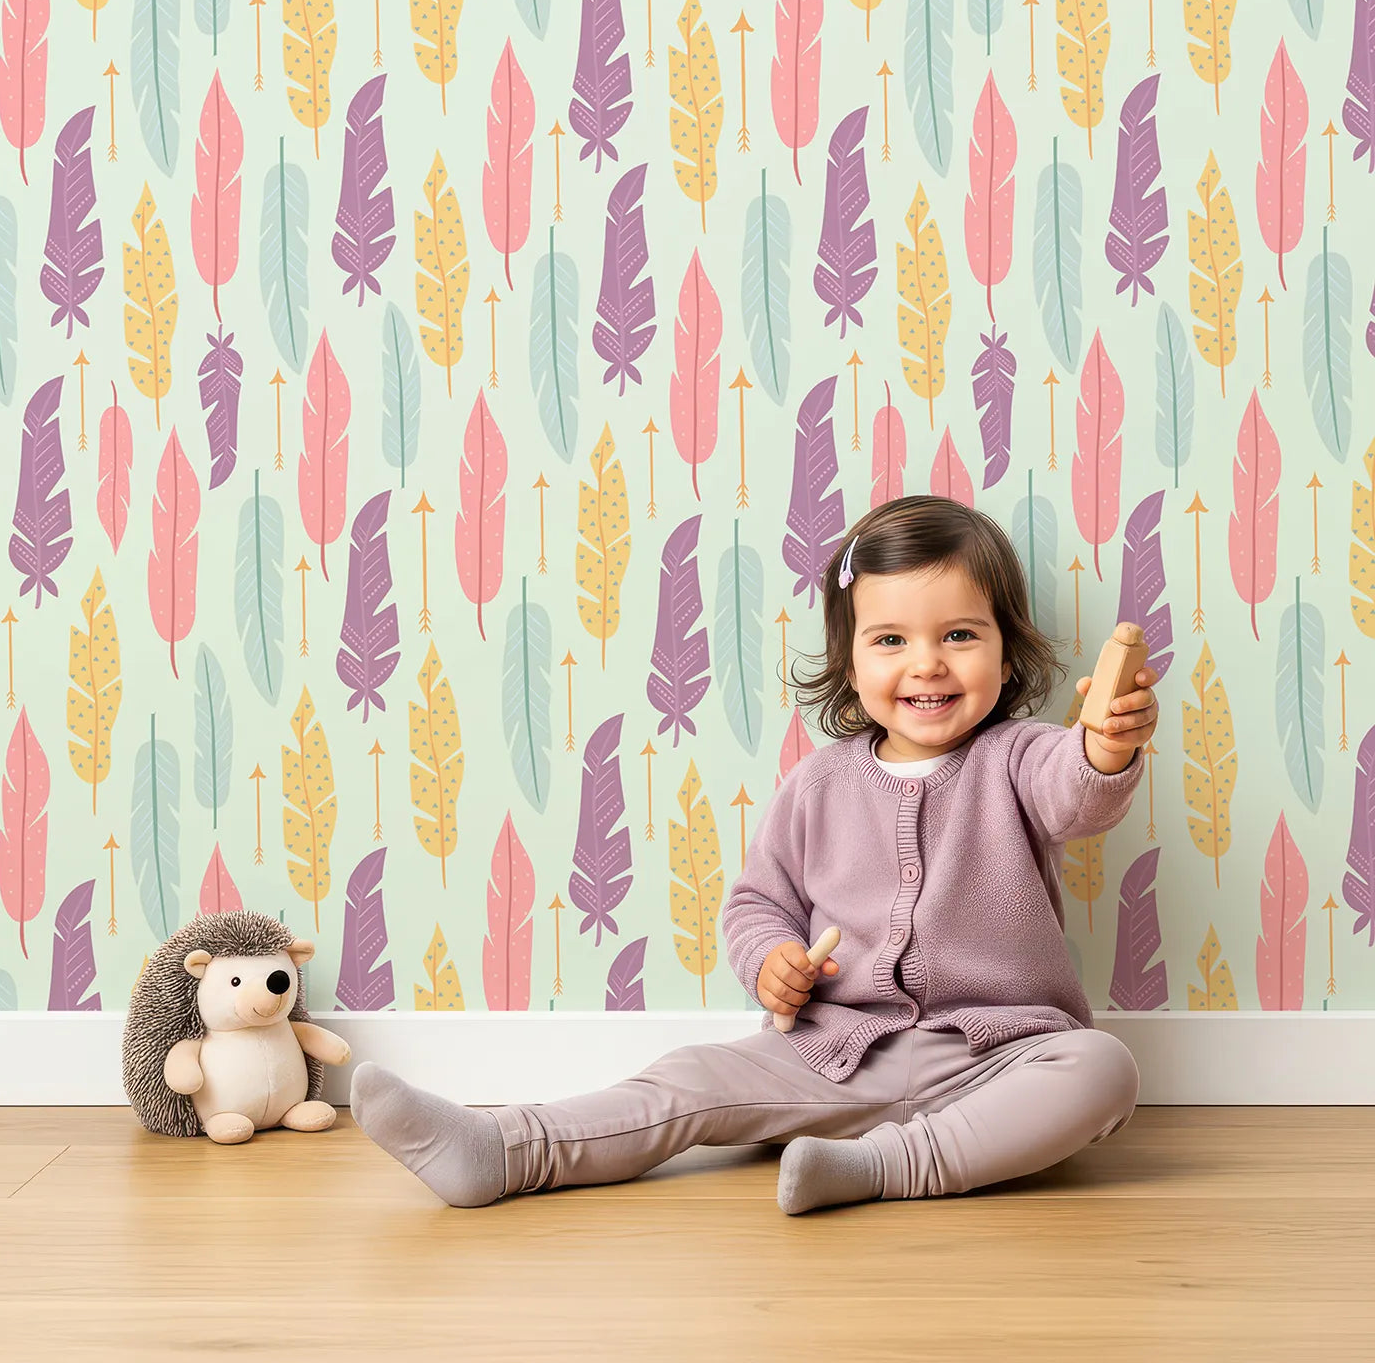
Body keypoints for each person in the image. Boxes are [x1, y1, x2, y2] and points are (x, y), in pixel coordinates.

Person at [349, 495, 1159, 1214]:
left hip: (995, 1057)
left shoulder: (1021, 756)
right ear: (851, 661)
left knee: (1101, 1067)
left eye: (959, 634)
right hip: (833, 1054)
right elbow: (756, 903)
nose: (926, 663)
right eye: (889, 639)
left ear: (1005, 654)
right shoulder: (819, 784)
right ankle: (504, 1149)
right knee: (688, 1077)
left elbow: (1078, 794)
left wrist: (1105, 747)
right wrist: (773, 958)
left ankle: (887, 1168)